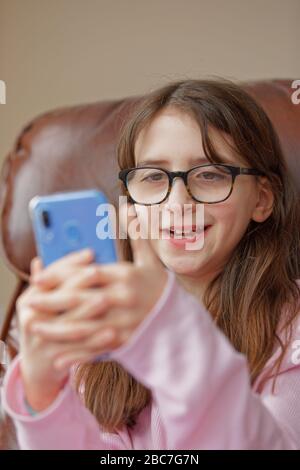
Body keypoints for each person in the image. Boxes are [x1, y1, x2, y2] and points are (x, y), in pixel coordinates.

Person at [2, 79, 300, 449]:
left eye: (210, 174)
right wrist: (44, 394)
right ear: (129, 203)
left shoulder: (292, 332)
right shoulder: (100, 332)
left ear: (262, 199)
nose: (177, 203)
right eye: (154, 177)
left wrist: (165, 327)